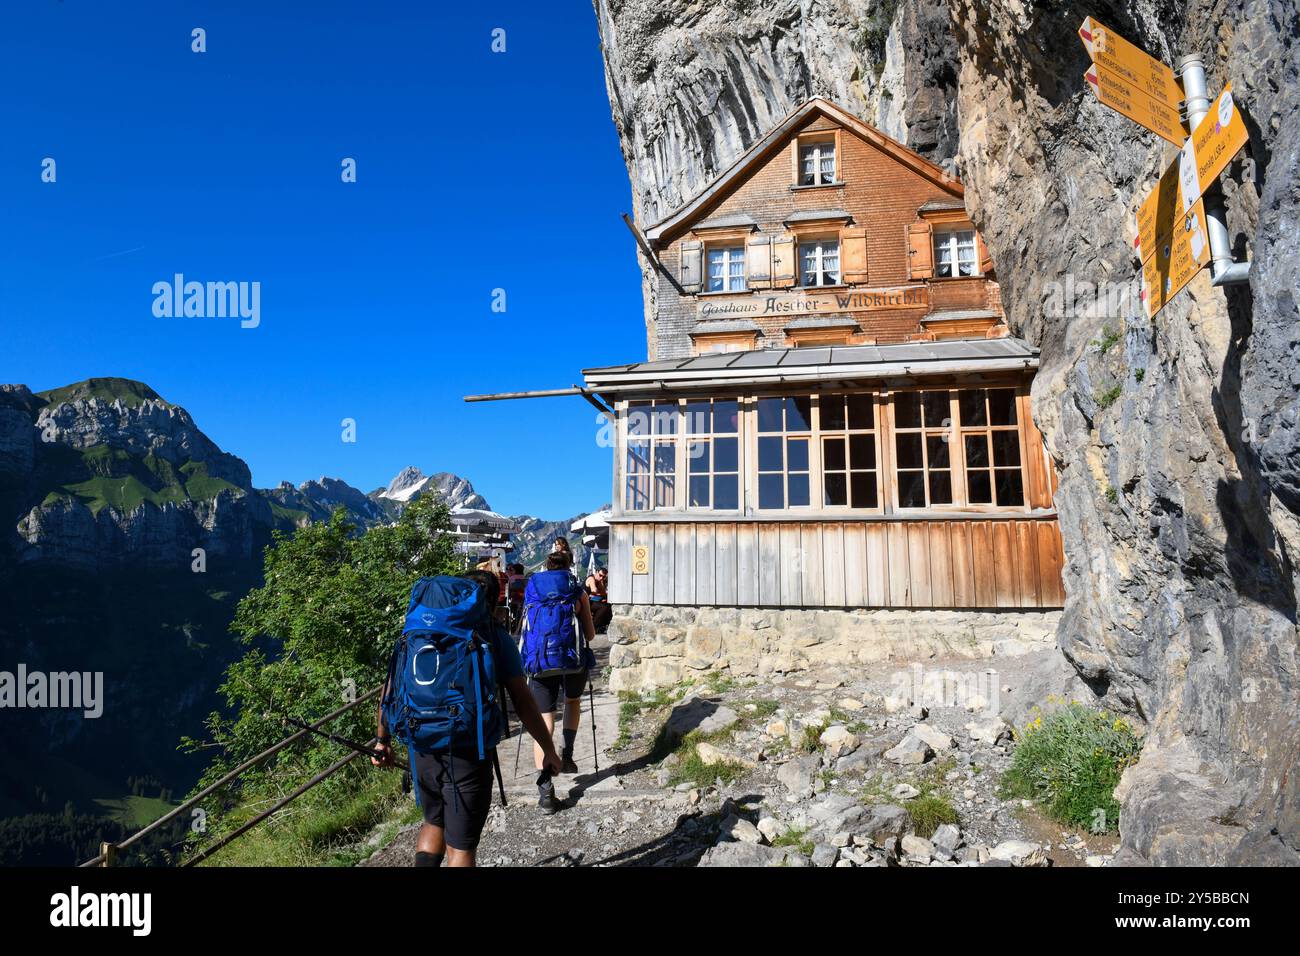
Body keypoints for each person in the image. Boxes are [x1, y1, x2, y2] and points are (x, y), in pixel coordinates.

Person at [373, 570, 562, 867]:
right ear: (490, 602)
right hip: (467, 752)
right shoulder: (493, 636)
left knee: (433, 821)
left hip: (421, 745)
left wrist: (382, 741)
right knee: (461, 846)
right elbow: (523, 701)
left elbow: (389, 690)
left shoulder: (419, 630)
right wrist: (548, 749)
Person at [520, 549, 596, 814]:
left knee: (544, 718)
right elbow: (590, 634)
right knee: (572, 700)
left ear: (546, 568)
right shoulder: (577, 593)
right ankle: (567, 754)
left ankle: (545, 792)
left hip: (539, 663)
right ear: (569, 568)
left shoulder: (533, 592)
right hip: (573, 661)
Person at [585, 566, 612, 634]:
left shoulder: (599, 581)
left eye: (603, 577)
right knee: (603, 607)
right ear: (596, 572)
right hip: (584, 602)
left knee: (608, 605)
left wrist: (604, 597)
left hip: (589, 600)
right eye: (600, 575)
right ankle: (593, 627)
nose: (601, 578)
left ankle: (605, 626)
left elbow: (603, 594)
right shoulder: (591, 578)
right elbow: (594, 590)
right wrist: (601, 593)